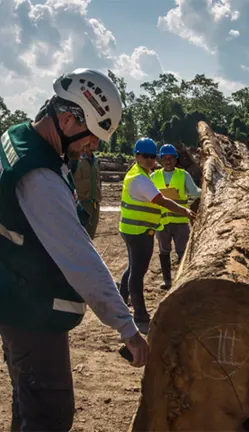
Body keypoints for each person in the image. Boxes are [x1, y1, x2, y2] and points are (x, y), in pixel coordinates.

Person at [0, 68, 150, 431]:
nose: (94, 147)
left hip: (15, 297)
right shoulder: (40, 179)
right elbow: (79, 258)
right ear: (67, 119)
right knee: (49, 416)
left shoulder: (18, 138)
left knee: (29, 404)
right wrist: (127, 327)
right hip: (31, 314)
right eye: (93, 137)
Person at [119, 138, 195, 333]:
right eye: (145, 156)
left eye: (152, 157)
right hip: (138, 231)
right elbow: (161, 200)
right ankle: (140, 316)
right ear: (136, 156)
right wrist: (184, 211)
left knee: (132, 268)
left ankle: (121, 301)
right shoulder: (141, 179)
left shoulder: (140, 173)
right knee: (138, 272)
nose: (150, 160)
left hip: (133, 228)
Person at [150, 144, 201, 289]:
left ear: (175, 159)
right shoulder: (154, 177)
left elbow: (194, 192)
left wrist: (207, 188)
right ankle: (167, 280)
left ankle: (182, 279)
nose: (168, 161)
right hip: (162, 221)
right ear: (160, 159)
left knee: (183, 251)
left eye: (171, 158)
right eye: (165, 158)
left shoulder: (182, 175)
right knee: (164, 251)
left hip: (180, 221)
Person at [70, 144, 102, 239]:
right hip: (81, 204)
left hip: (94, 204)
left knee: (90, 236)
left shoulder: (96, 161)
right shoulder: (75, 159)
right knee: (79, 236)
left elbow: (98, 181)